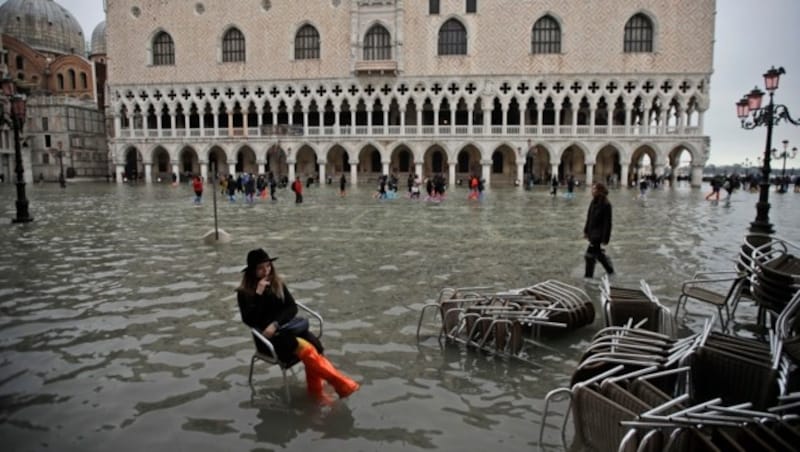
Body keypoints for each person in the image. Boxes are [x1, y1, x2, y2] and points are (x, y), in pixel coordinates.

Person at [236, 249, 359, 403]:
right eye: (261, 268)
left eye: (268, 266)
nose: (266, 270)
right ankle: (338, 385)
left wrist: (276, 323)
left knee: (316, 345)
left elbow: (291, 308)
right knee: (307, 350)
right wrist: (258, 294)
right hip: (267, 338)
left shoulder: (277, 283)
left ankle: (317, 392)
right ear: (252, 271)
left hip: (285, 328)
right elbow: (250, 319)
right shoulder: (244, 293)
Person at [583, 182, 614, 278]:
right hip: (592, 232)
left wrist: (605, 238)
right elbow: (589, 217)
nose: (592, 191)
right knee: (598, 254)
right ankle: (610, 271)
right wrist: (586, 231)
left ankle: (588, 277)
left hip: (598, 235)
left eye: (594, 189)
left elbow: (607, 223)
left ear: (599, 191)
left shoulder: (606, 204)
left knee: (589, 255)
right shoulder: (593, 202)